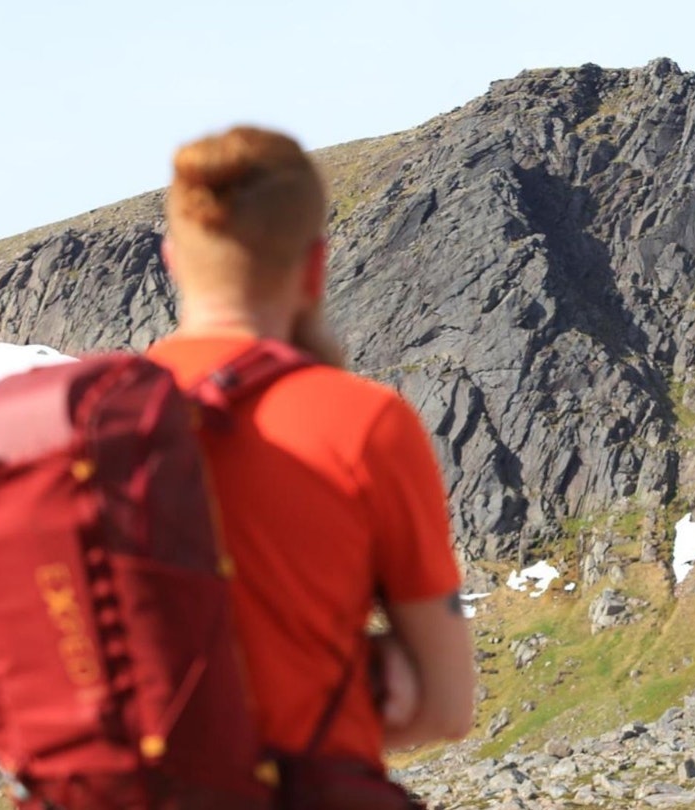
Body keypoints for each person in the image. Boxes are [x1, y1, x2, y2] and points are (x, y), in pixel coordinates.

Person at [144, 125, 475, 806]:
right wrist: (366, 677)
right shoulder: (361, 422)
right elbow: (445, 708)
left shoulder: (81, 426)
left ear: (172, 259)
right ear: (316, 267)